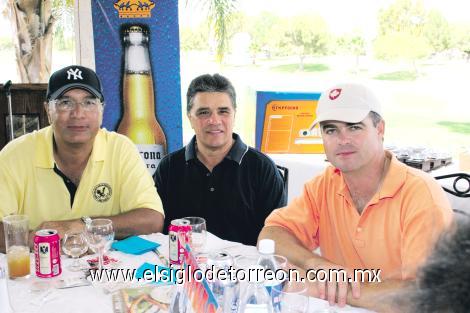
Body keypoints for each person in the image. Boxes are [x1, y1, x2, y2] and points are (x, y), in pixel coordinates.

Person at [258, 83, 453, 310]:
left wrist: (326, 287)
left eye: (354, 127)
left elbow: (427, 296)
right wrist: (314, 263)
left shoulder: (421, 195)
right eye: (330, 130)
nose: (342, 139)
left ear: (379, 129)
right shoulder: (324, 184)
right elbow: (271, 234)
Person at [0, 65, 164, 252]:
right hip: (38, 273)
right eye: (65, 102)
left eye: (89, 102)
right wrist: (37, 240)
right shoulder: (16, 154)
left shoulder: (120, 149)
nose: (78, 114)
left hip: (104, 275)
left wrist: (82, 225)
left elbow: (152, 219)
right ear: (47, 110)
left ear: (102, 110)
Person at [155, 73, 286, 245]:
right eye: (203, 112)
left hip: (243, 270)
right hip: (184, 268)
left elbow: (278, 233)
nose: (214, 120)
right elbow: (157, 229)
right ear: (190, 118)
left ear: (234, 114)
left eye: (223, 111)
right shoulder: (169, 167)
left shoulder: (262, 168)